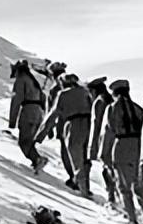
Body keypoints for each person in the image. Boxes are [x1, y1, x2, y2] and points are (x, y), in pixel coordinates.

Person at [97, 79, 143, 224]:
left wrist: (103, 153)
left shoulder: (112, 108)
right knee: (140, 185)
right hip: (138, 146)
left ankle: (132, 218)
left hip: (122, 146)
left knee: (124, 186)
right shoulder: (138, 109)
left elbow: (107, 132)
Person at [38, 73, 93, 196]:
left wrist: (40, 135)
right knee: (85, 157)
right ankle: (86, 186)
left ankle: (82, 190)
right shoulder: (84, 91)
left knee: (76, 158)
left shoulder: (63, 94)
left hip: (73, 125)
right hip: (88, 124)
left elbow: (53, 114)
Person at [9, 60, 49, 172]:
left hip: (28, 112)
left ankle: (37, 159)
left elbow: (16, 100)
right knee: (29, 140)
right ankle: (36, 160)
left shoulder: (21, 80)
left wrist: (12, 120)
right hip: (38, 113)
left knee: (24, 141)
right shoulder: (33, 81)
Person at [45, 61, 77, 189]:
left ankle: (73, 177)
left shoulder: (54, 90)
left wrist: (49, 128)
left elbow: (51, 110)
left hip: (64, 123)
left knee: (66, 151)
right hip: (81, 123)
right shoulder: (77, 85)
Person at [88, 77, 119, 205]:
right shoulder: (112, 102)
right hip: (118, 139)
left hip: (105, 138)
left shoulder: (99, 102)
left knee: (107, 169)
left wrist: (93, 145)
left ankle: (112, 196)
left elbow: (96, 124)